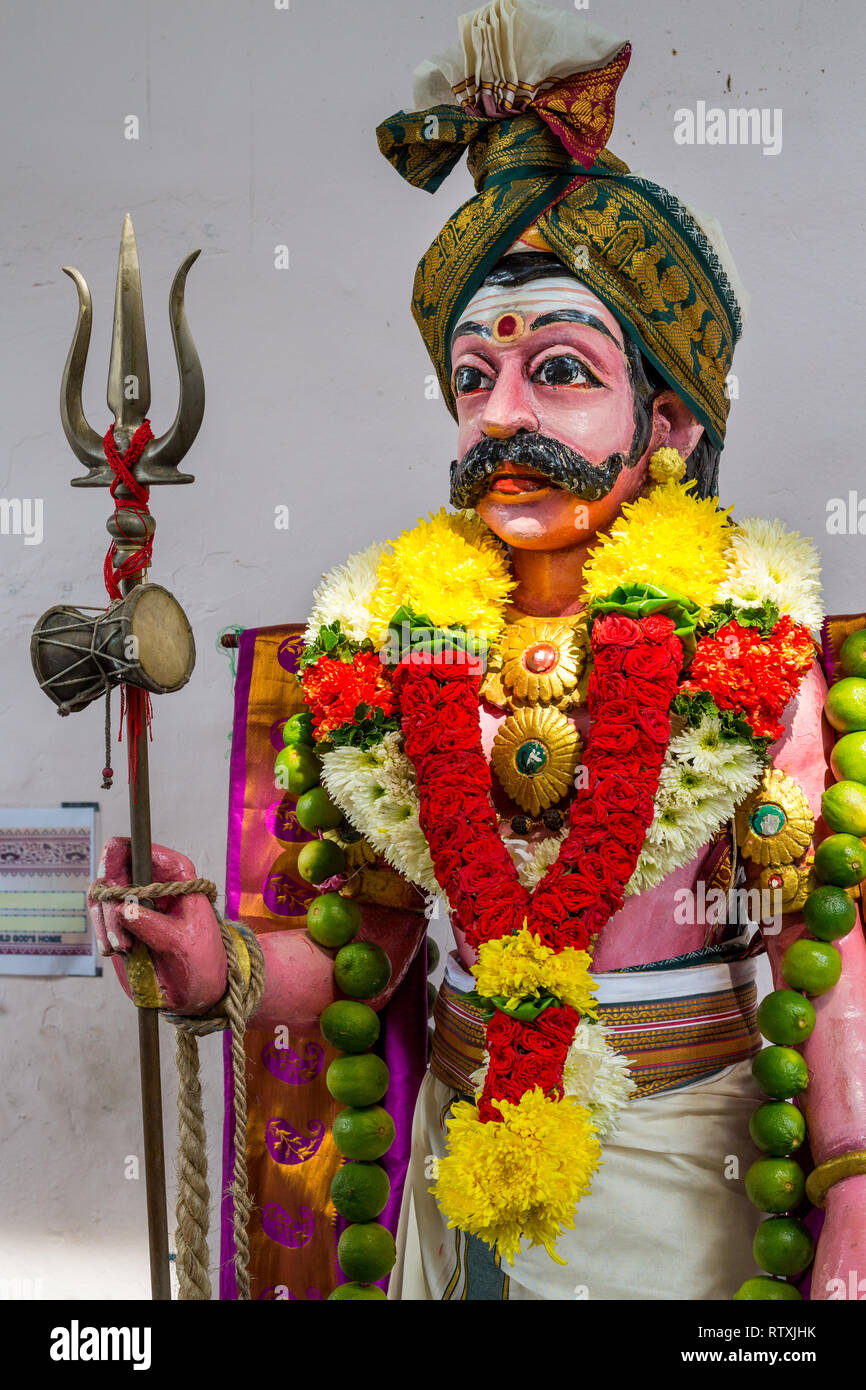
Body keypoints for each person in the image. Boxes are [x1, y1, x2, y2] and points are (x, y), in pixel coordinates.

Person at [90, 2, 866, 1300]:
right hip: (459, 1176)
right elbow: (367, 951)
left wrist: (850, 1182)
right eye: (471, 376)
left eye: (557, 369)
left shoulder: (746, 634)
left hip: (678, 1174)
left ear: (667, 422)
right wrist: (216, 962)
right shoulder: (402, 648)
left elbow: (826, 942)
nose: (500, 414)